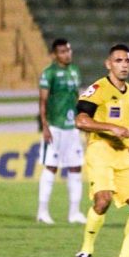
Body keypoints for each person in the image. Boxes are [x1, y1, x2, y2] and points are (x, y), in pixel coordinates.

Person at [73, 44, 129, 257]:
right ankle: (85, 251)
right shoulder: (98, 89)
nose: (124, 65)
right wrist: (110, 128)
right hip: (101, 150)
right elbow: (81, 121)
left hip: (123, 155)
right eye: (118, 61)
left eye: (127, 61)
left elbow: (128, 122)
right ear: (108, 64)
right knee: (102, 201)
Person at [36, 38, 86, 224]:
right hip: (55, 126)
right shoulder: (49, 74)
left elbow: (77, 97)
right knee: (51, 166)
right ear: (55, 55)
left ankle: (74, 213)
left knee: (76, 166)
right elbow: (42, 101)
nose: (67, 54)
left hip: (72, 127)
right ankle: (42, 212)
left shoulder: (75, 70)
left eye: (68, 50)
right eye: (63, 52)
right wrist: (45, 126)